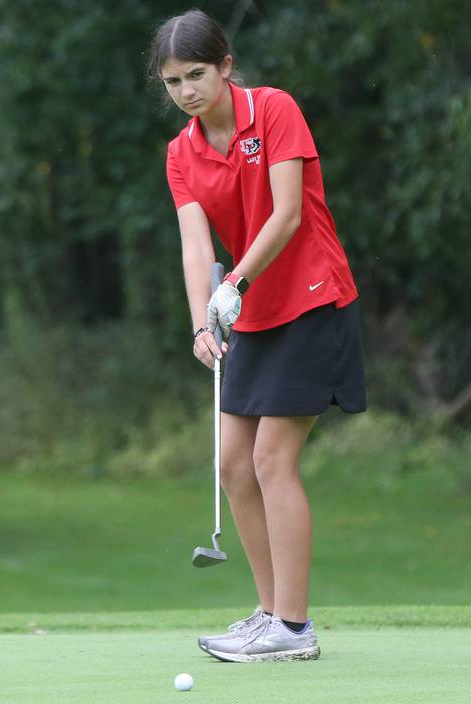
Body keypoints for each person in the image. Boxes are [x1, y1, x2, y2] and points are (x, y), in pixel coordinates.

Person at [148, 10, 366, 663]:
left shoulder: (272, 111)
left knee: (272, 460)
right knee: (233, 464)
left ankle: (294, 631)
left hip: (310, 297)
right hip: (247, 309)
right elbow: (193, 246)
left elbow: (289, 211)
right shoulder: (180, 153)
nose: (185, 91)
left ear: (225, 67)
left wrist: (234, 282)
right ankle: (270, 612)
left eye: (196, 75)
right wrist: (199, 322)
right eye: (171, 82)